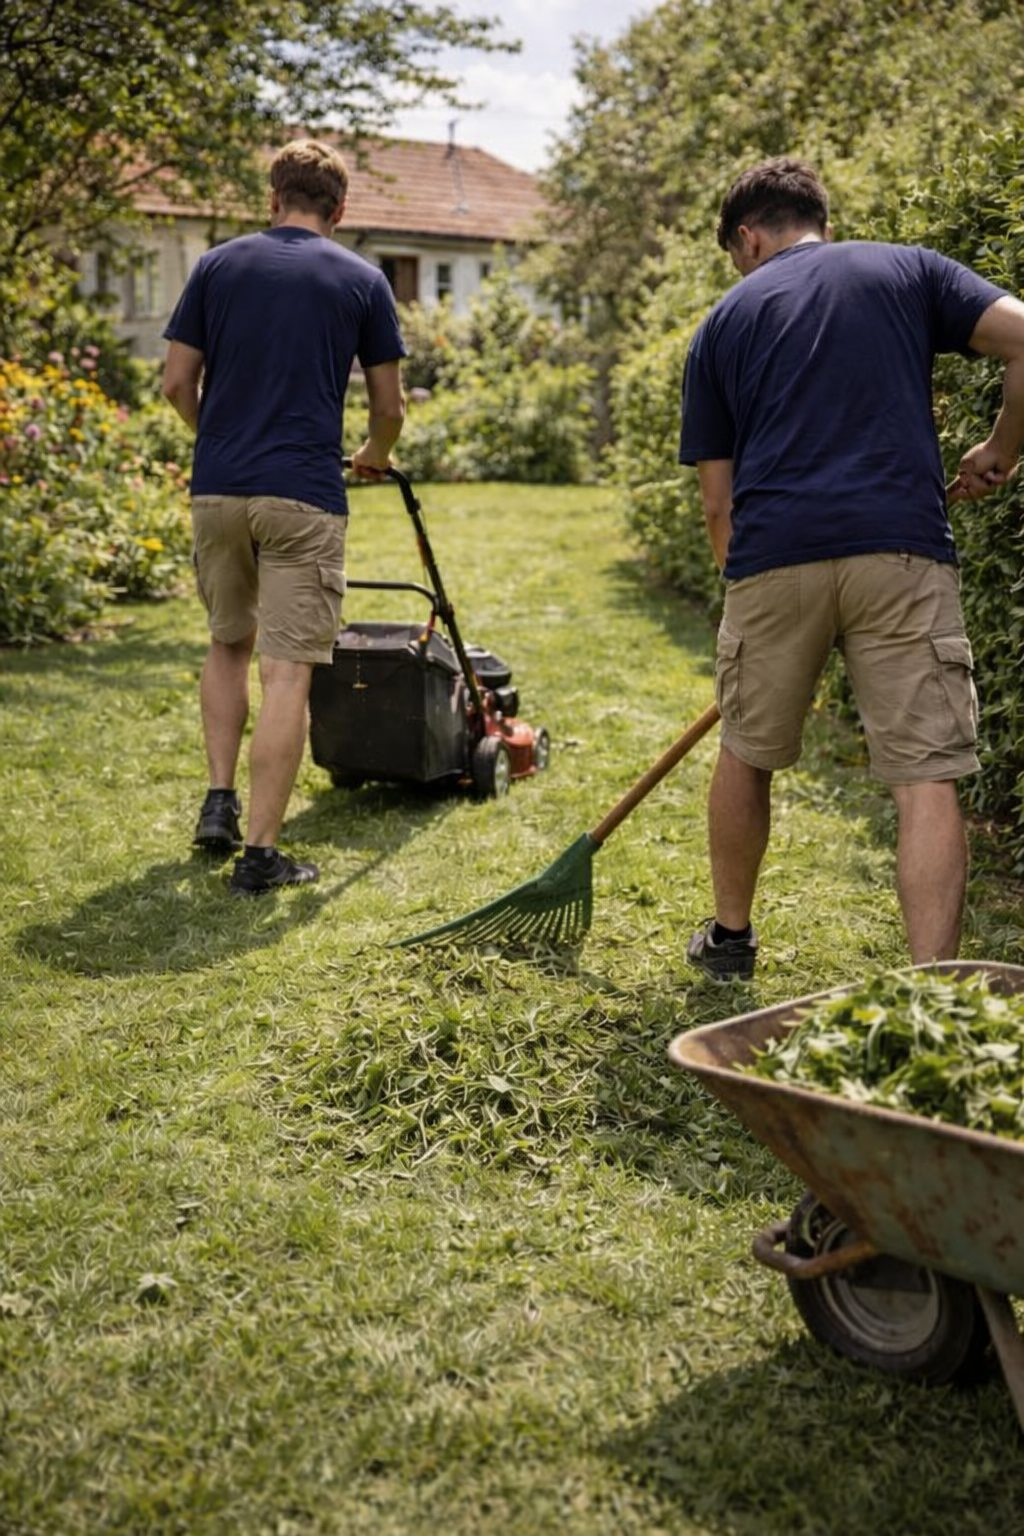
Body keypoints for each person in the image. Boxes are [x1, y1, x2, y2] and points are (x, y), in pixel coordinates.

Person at [678, 156, 1024, 978]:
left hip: (773, 561)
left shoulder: (723, 323)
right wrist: (1002, 449)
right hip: (901, 551)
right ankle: (933, 987)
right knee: (926, 775)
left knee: (747, 752)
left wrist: (748, 594)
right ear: (819, 220)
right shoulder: (908, 269)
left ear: (749, 236)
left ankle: (730, 940)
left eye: (736, 253)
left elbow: (718, 502)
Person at [162, 138, 406, 896]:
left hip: (219, 487)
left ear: (273, 199)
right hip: (302, 492)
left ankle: (218, 800)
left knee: (227, 642)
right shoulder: (363, 280)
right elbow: (389, 407)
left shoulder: (216, 267)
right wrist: (371, 452)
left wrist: (219, 441)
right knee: (288, 669)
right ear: (339, 210)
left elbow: (175, 382)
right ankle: (262, 856)